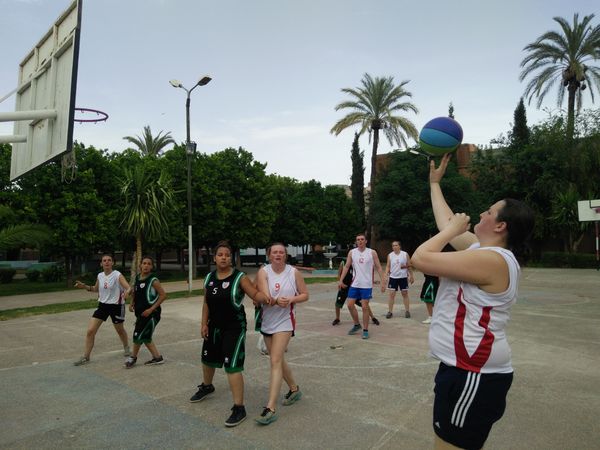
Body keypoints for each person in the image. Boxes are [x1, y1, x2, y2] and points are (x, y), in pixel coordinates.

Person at [411, 153, 534, 450]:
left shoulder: (493, 261)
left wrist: (452, 232)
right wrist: (434, 184)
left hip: (473, 374)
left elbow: (420, 259)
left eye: (489, 212)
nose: (481, 214)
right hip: (464, 370)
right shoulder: (482, 251)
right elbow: (446, 221)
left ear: (501, 225)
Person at [189, 242, 268, 427]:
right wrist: (203, 323)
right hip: (214, 326)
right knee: (207, 359)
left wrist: (266, 298)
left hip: (234, 327)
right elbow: (206, 302)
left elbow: (255, 294)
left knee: (232, 366)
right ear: (214, 258)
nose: (223, 257)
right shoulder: (209, 277)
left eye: (227, 254)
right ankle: (207, 386)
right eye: (220, 254)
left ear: (230, 257)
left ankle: (239, 408)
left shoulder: (239, 277)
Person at [254, 242, 309, 425]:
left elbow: (305, 294)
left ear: (285, 255)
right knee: (278, 359)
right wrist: (275, 300)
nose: (278, 255)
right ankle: (294, 389)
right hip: (268, 321)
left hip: (285, 322)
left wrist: (292, 299)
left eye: (281, 252)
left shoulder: (293, 272)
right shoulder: (264, 272)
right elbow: (266, 296)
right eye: (274, 252)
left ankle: (270, 408)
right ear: (269, 255)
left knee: (275, 361)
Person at [73, 254, 131, 366]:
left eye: (109, 260)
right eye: (104, 260)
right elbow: (95, 289)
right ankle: (86, 356)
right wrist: (84, 286)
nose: (107, 262)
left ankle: (126, 347)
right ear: (101, 263)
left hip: (116, 306)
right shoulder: (100, 275)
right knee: (90, 331)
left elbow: (128, 287)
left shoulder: (117, 275)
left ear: (113, 263)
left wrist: (127, 292)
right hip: (103, 306)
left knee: (120, 330)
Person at [338, 233, 385, 340]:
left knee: (364, 307)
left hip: (366, 284)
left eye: (362, 239)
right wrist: (340, 280)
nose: (360, 241)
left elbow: (379, 267)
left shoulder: (372, 252)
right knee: (350, 305)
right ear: (356, 241)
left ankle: (365, 330)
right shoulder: (352, 252)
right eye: (358, 239)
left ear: (366, 241)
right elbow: (346, 266)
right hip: (355, 284)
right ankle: (356, 324)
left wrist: (383, 281)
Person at [125, 256, 167, 369]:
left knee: (138, 334)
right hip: (141, 314)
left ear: (152, 267)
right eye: (144, 263)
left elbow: (163, 295)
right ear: (140, 265)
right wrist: (132, 303)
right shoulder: (138, 278)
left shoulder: (153, 280)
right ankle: (157, 357)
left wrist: (151, 309)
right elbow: (135, 292)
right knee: (145, 336)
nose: (146, 265)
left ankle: (133, 358)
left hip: (152, 314)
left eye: (149, 264)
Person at [332, 259, 380, 327]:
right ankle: (337, 318)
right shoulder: (343, 263)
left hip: (354, 287)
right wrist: (341, 282)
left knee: (364, 304)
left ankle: (373, 317)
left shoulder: (357, 264)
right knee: (338, 303)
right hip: (344, 287)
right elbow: (339, 273)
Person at [385, 241, 414, 319]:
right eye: (393, 246)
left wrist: (411, 275)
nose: (394, 247)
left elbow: (409, 265)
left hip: (403, 277)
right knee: (391, 295)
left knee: (404, 293)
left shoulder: (405, 254)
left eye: (396, 245)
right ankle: (390, 312)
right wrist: (385, 275)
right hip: (393, 277)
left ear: (399, 246)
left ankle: (407, 311)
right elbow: (388, 266)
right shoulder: (390, 255)